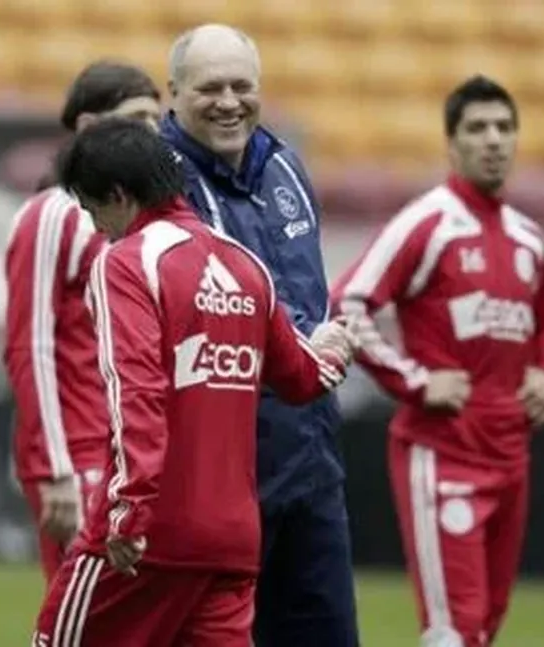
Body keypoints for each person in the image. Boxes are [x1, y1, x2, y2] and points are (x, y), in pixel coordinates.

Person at [32, 118, 355, 646]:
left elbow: (135, 392)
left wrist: (128, 509)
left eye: (93, 210)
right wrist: (335, 350)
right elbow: (304, 378)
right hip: (231, 541)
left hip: (153, 530)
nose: (97, 228)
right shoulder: (244, 264)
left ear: (119, 195)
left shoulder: (126, 263)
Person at [330, 76, 544, 647]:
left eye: (504, 127)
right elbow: (347, 302)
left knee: (484, 625)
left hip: (510, 454)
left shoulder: (527, 237)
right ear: (452, 143)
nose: (493, 139)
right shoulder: (428, 223)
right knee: (453, 630)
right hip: (442, 453)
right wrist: (414, 381)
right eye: (477, 128)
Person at [160, 24, 359, 646]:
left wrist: (330, 338)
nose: (229, 102)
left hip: (311, 461)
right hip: (219, 474)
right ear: (174, 93)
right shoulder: (159, 184)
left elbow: (307, 291)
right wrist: (302, 348)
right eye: (210, 88)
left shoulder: (284, 166)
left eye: (241, 86)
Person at [3, 61, 161, 582]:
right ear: (90, 126)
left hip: (134, 453)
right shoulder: (53, 213)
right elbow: (29, 346)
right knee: (90, 610)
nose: (152, 131)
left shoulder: (145, 220)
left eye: (157, 118)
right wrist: (54, 469)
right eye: (137, 118)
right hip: (79, 452)